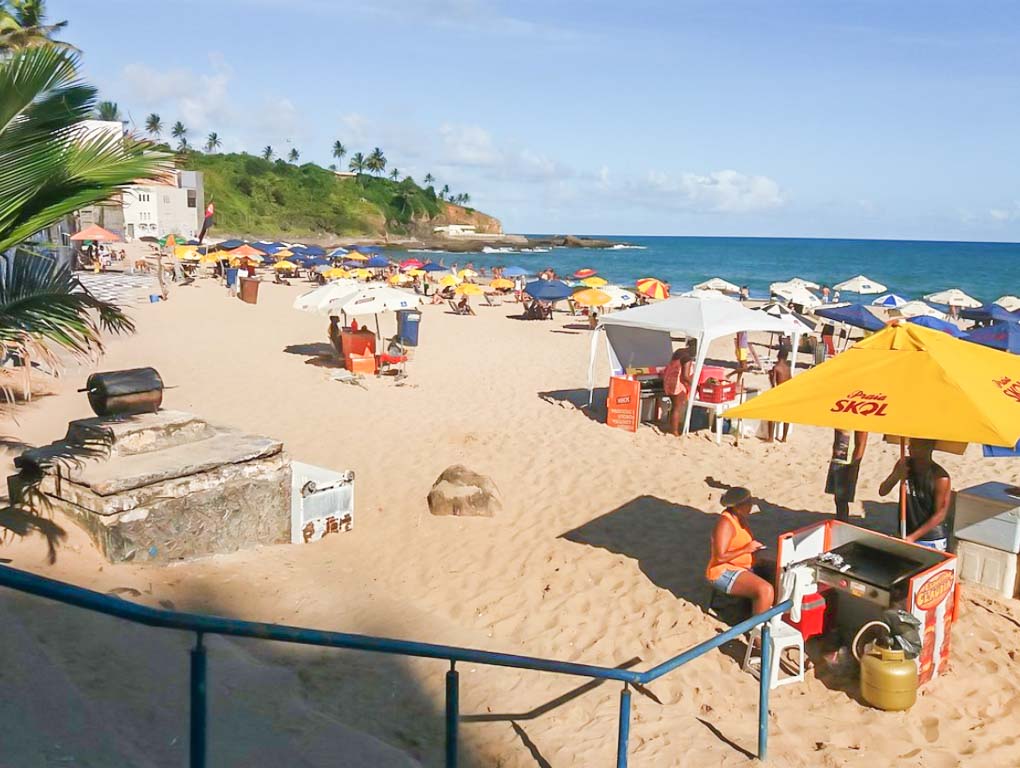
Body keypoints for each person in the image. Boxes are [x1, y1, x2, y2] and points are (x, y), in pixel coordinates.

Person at [706, 487, 774, 615]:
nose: (751, 507)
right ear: (737, 507)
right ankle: (758, 632)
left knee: (777, 570)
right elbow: (719, 557)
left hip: (741, 565)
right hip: (722, 571)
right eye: (748, 504)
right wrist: (746, 549)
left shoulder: (740, 518)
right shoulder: (725, 524)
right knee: (765, 590)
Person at [879, 438, 951, 550]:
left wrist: (912, 538)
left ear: (930, 447)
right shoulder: (904, 464)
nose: (909, 448)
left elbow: (940, 514)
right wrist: (896, 475)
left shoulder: (940, 477)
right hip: (906, 531)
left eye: (916, 445)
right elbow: (882, 491)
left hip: (930, 538)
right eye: (910, 444)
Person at [825, 430, 868, 521]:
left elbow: (861, 444)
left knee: (842, 499)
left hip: (847, 463)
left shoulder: (859, 421)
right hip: (837, 459)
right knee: (837, 498)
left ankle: (842, 522)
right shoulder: (843, 418)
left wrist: (854, 466)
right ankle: (841, 520)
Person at [662, 347, 694, 437]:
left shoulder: (679, 351)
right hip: (677, 383)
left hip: (669, 379)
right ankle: (674, 431)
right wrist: (695, 385)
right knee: (677, 408)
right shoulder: (687, 358)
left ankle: (672, 428)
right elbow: (685, 376)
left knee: (674, 407)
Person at [766, 348, 792, 442]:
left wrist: (770, 376)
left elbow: (773, 384)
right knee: (786, 416)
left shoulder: (776, 367)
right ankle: (784, 438)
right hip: (787, 393)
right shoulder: (788, 368)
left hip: (778, 393)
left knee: (771, 415)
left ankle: (770, 438)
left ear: (778, 356)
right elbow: (790, 381)